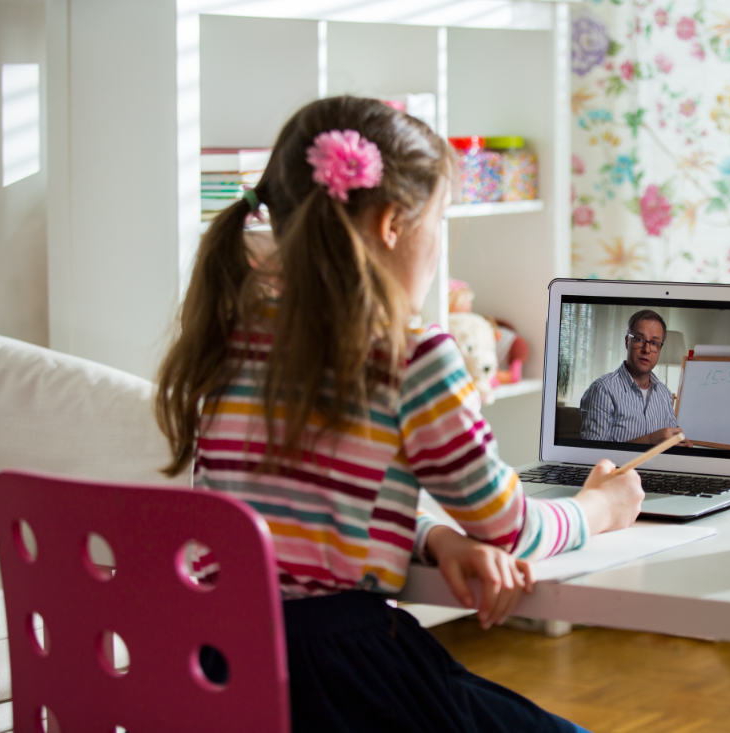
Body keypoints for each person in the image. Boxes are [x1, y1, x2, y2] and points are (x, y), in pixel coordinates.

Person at [155, 96, 643, 733]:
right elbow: (510, 528)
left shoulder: (232, 339)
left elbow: (290, 527)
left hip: (220, 671)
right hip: (339, 679)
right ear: (392, 225)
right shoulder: (411, 358)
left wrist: (432, 536)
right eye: (439, 221)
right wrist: (599, 508)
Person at [579, 310, 693, 446]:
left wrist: (683, 448)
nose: (647, 349)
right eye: (639, 340)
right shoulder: (602, 390)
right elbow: (592, 456)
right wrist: (651, 440)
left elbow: (671, 444)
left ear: (660, 349)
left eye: (654, 343)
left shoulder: (665, 394)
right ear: (627, 342)